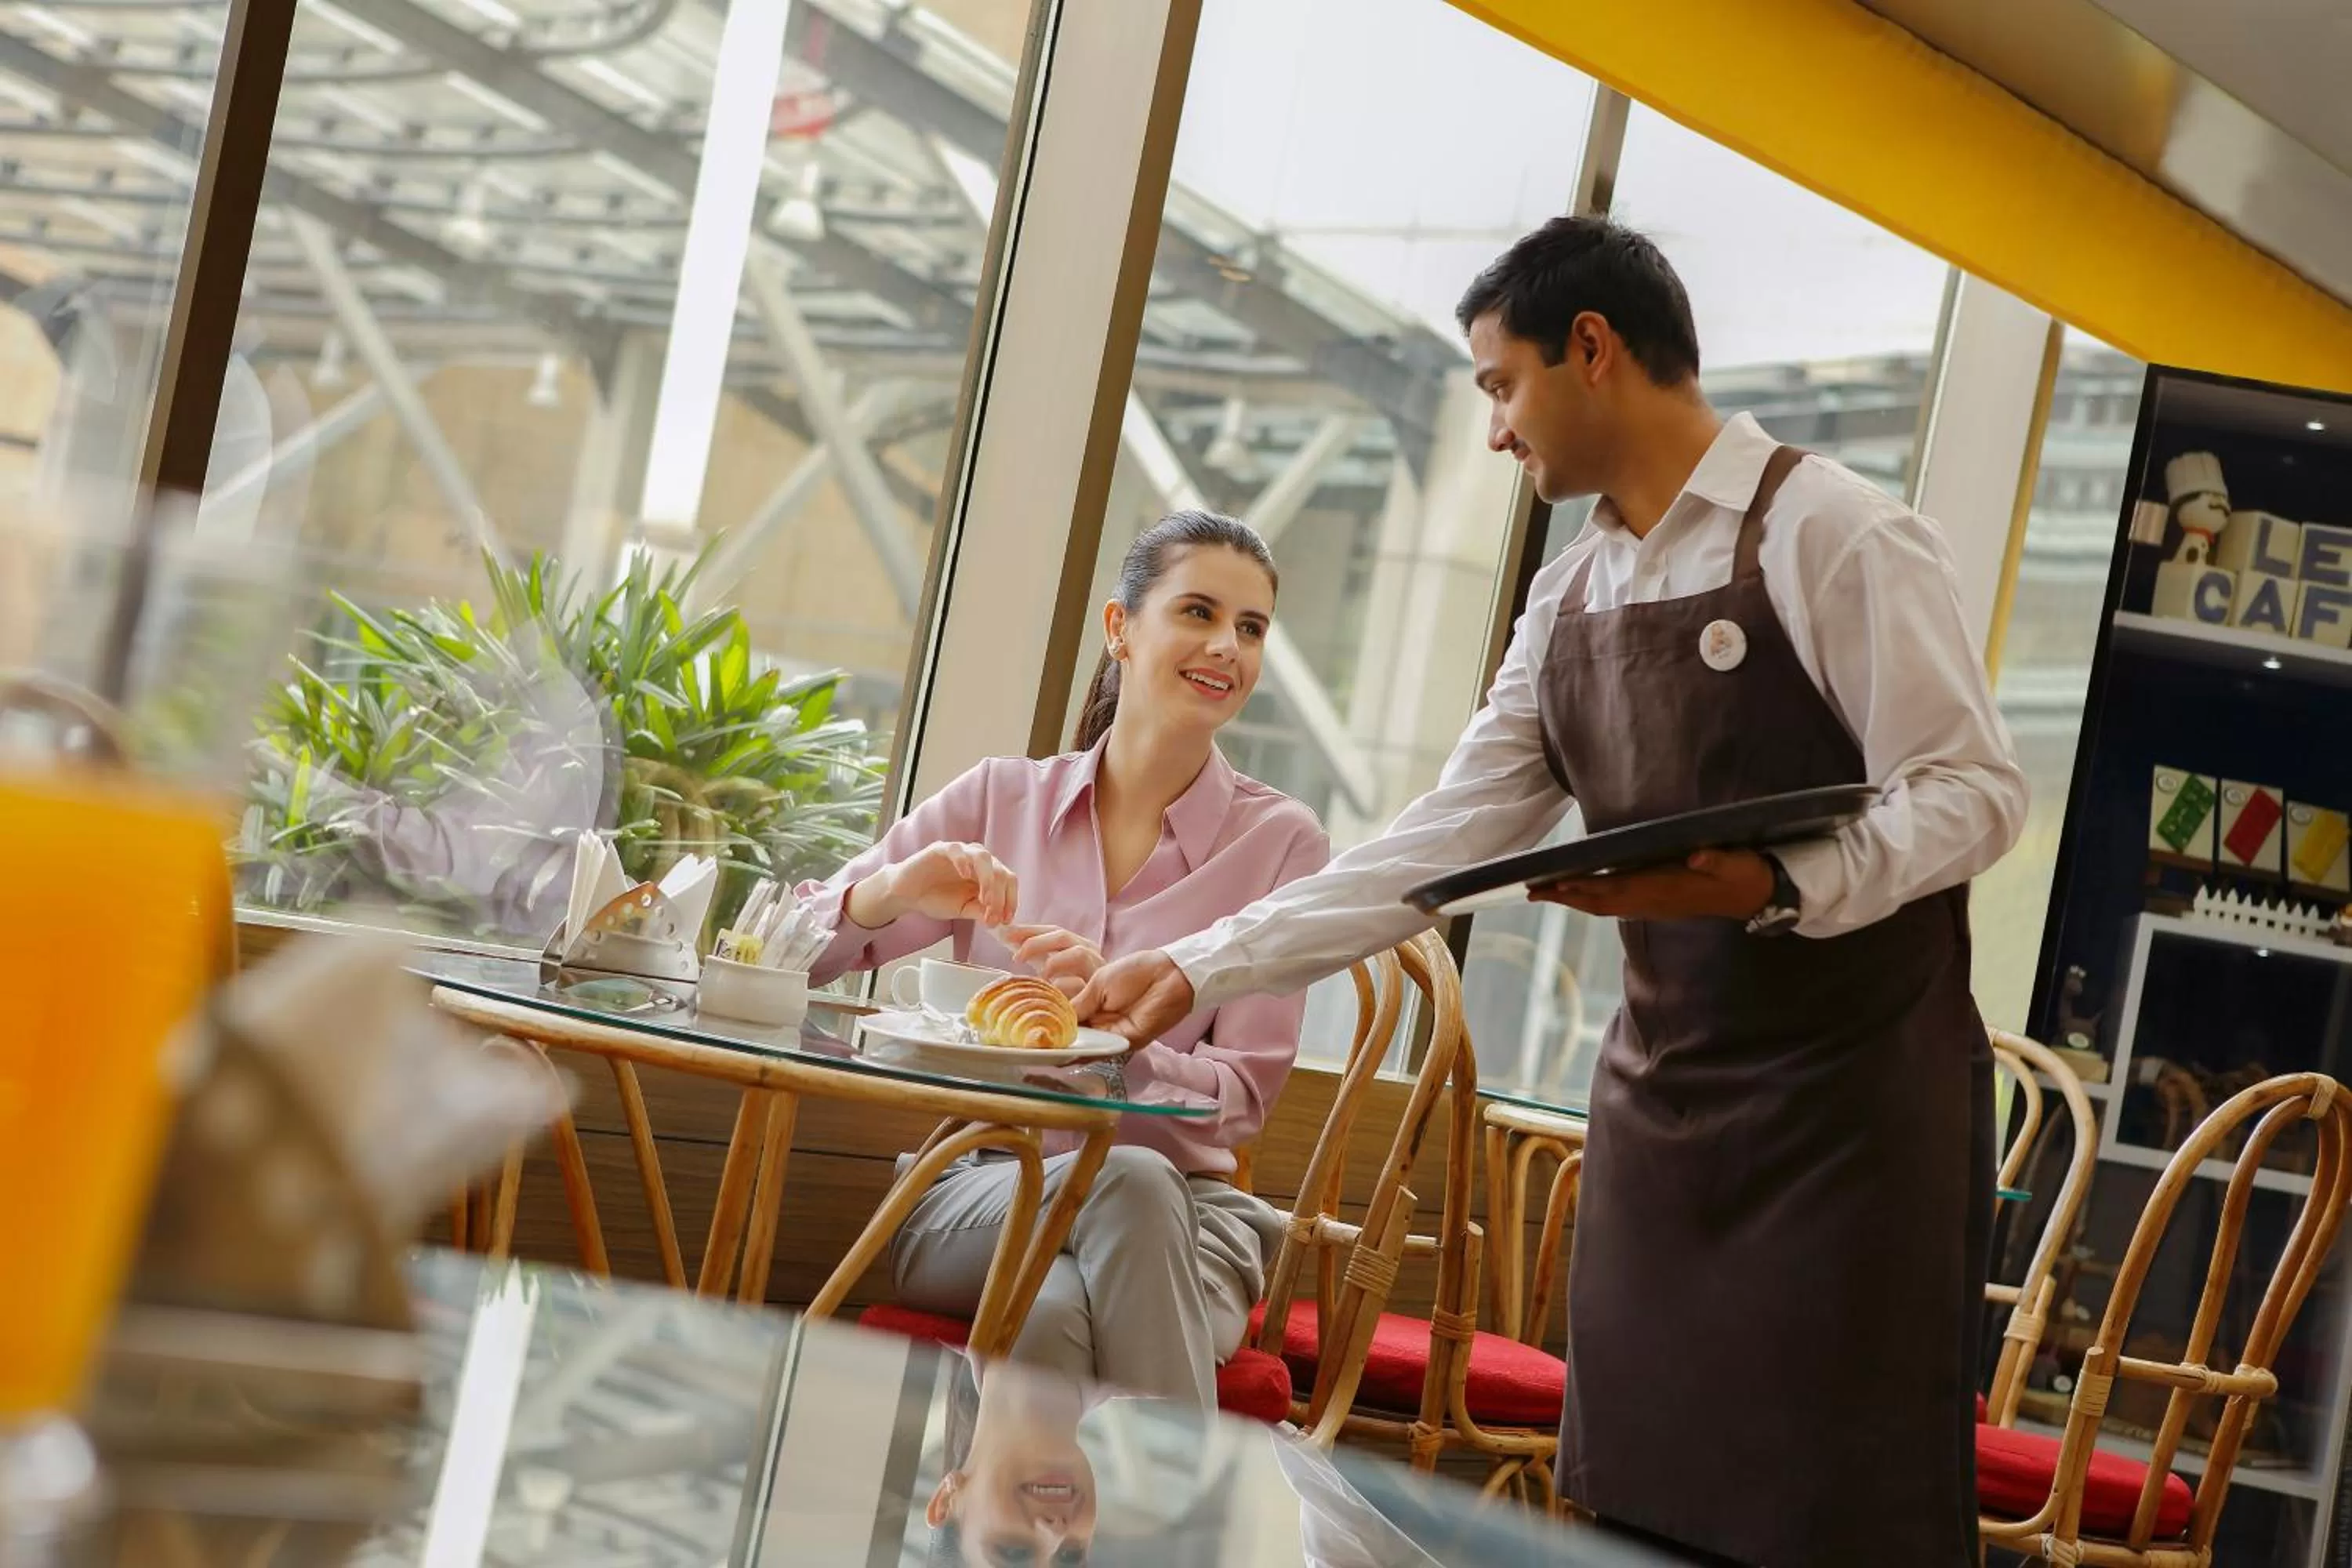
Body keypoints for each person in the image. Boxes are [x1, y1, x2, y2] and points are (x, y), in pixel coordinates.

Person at [1076, 217, 2027, 1566]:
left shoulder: (1839, 532)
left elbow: (1977, 792)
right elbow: (1444, 840)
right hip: (1664, 1113)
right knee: (1637, 1504)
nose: (1495, 433)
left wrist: (1777, 880)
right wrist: (1199, 966)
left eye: (1499, 385)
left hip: (1854, 1121)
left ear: (1591, 350)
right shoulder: (1571, 594)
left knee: (1829, 1517)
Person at [797, 510, 1330, 1409]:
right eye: (1197, 612)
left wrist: (1113, 1038)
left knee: (1054, 1313)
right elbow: (784, 954)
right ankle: (1183, 1528)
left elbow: (1240, 1101)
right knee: (1123, 1177)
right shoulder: (1000, 798)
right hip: (976, 1194)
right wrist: (889, 891)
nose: (1226, 647)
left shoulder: (1279, 844)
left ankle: (1001, 1548)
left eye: (1251, 627)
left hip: (1195, 1223)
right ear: (1121, 629)